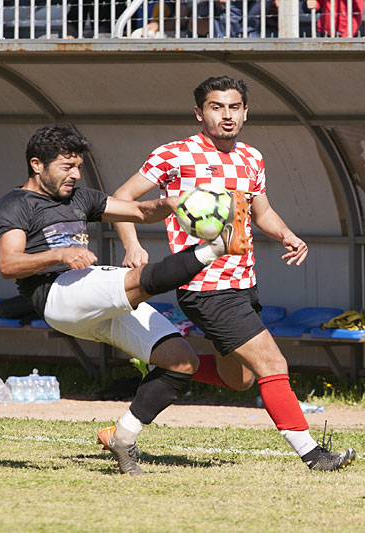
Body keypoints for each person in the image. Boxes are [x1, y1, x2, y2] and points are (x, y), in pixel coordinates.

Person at [113, 75, 356, 471]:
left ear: (245, 111)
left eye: (234, 107)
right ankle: (314, 456)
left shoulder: (252, 157)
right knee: (273, 366)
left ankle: (164, 374)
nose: (226, 115)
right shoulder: (174, 155)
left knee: (239, 379)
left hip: (244, 283)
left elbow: (261, 210)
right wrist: (132, 245)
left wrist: (287, 234)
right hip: (205, 285)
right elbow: (121, 200)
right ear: (199, 112)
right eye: (216, 107)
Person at [0, 124, 250, 475]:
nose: (75, 175)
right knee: (135, 280)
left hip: (93, 296)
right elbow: (8, 264)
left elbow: (141, 212)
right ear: (37, 165)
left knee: (180, 361)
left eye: (78, 166)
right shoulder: (15, 204)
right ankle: (217, 247)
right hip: (56, 296)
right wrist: (60, 254)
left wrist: (173, 204)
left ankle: (122, 437)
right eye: (67, 167)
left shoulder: (81, 197)